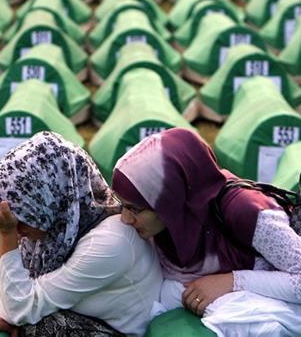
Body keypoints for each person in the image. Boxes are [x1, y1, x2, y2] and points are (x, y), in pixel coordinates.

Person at [0, 131, 163, 337]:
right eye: (10, 220)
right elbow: (0, 295)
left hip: (123, 332)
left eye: (23, 218)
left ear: (49, 201)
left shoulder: (111, 243)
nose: (17, 229)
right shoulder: (59, 227)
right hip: (83, 317)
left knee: (42, 329)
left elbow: (18, 309)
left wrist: (6, 233)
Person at [112, 127, 301, 335]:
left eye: (134, 209)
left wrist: (231, 281)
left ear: (169, 199)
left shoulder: (245, 211)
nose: (125, 218)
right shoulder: (170, 223)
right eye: (122, 205)